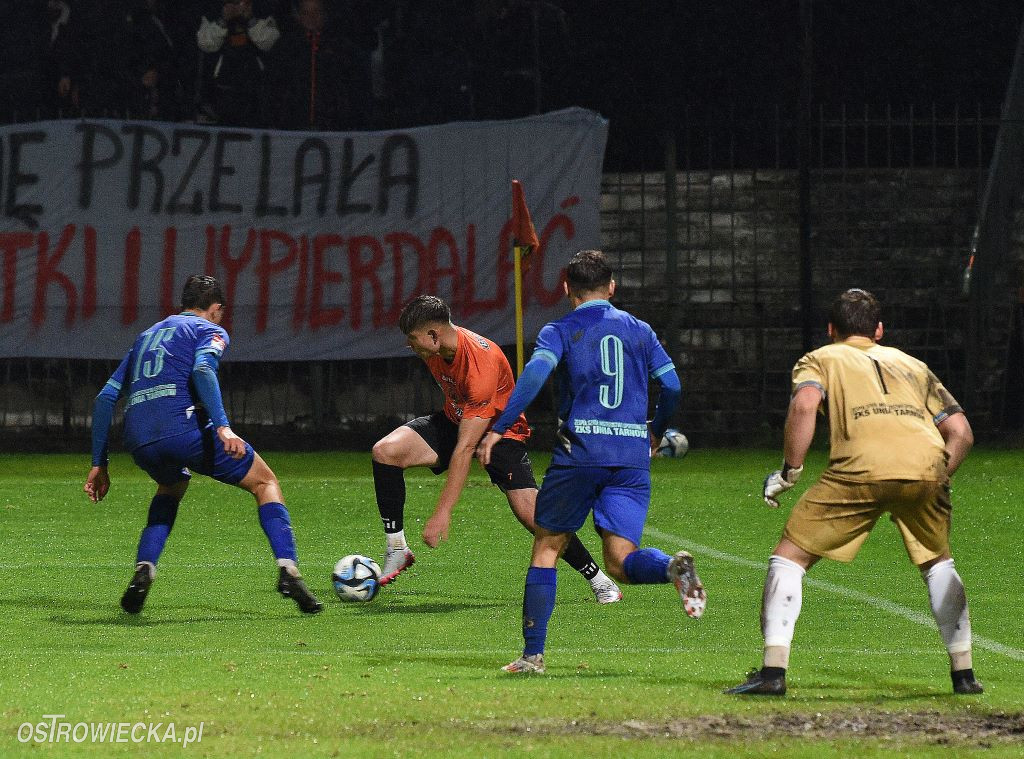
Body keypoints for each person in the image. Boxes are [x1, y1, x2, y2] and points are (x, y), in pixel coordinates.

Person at [726, 288, 981, 696]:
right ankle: (964, 675)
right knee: (937, 562)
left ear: (831, 330)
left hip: (858, 468)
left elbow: (805, 406)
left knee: (789, 558)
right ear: (878, 330)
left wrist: (790, 472)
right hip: (926, 466)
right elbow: (961, 432)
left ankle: (773, 673)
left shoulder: (820, 358)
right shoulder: (914, 364)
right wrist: (936, 477)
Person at [478, 249, 707, 674]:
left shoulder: (560, 330)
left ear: (567, 289)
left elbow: (534, 375)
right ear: (612, 287)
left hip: (580, 453)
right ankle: (671, 568)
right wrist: (656, 427)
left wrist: (499, 426)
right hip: (630, 458)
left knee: (547, 546)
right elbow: (671, 385)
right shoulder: (640, 330)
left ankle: (533, 655)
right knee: (621, 560)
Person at [84, 275, 322, 615]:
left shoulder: (146, 336)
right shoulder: (208, 329)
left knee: (170, 485)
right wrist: (224, 427)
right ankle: (288, 569)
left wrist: (99, 462)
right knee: (265, 482)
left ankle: (144, 568)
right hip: (183, 428)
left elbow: (105, 398)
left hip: (137, 438)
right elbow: (203, 369)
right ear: (216, 309)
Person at [371, 294, 623, 604]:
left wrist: (442, 512)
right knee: (385, 451)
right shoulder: (435, 349)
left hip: (501, 433)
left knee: (534, 517)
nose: (410, 346)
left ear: (434, 335)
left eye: (413, 339)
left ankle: (599, 580)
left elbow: (464, 449)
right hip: (457, 420)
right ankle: (396, 548)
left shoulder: (480, 365)